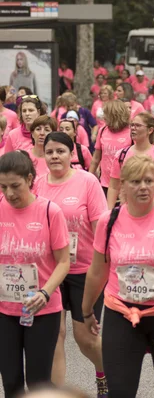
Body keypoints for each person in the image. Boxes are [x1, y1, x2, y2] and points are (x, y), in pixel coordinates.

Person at [81, 155, 154, 397]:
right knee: (120, 389)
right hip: (121, 311)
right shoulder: (108, 220)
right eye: (135, 181)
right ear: (123, 185)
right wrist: (87, 310)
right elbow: (97, 270)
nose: (143, 187)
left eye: (148, 181)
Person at [35, 132, 107, 396]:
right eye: (50, 151)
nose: (54, 156)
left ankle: (103, 374)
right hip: (50, 270)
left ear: (71, 154)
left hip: (84, 270)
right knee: (55, 335)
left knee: (85, 337)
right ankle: (57, 392)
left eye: (60, 151)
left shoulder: (87, 181)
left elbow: (101, 227)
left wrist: (106, 265)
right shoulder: (38, 184)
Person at [0, 151, 70, 398]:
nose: (9, 193)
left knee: (38, 382)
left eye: (15, 186)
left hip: (42, 309)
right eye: (3, 186)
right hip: (4, 310)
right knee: (11, 382)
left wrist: (44, 292)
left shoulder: (50, 212)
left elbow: (63, 262)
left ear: (29, 179)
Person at [88, 100, 132, 196]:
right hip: (105, 184)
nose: (103, 117)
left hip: (126, 185)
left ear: (114, 115)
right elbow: (96, 159)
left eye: (106, 114)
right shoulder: (103, 130)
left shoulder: (131, 132)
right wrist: (89, 178)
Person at [26, 115, 56, 181]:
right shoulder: (24, 157)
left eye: (47, 130)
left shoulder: (56, 158)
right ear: (32, 133)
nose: (42, 133)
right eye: (38, 129)